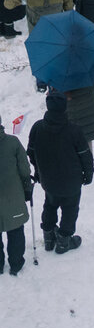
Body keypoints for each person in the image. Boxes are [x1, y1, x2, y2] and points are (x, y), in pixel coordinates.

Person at [27, 90, 93, 253]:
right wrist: (89, 174)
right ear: (64, 108)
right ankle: (64, 240)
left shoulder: (37, 127)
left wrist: (38, 171)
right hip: (71, 181)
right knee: (70, 209)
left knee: (50, 205)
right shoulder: (74, 130)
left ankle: (48, 237)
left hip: (48, 180)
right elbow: (85, 155)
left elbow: (31, 151)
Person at [0, 115, 29, 275]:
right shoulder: (13, 143)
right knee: (16, 229)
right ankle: (16, 264)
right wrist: (27, 187)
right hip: (13, 196)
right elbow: (24, 168)